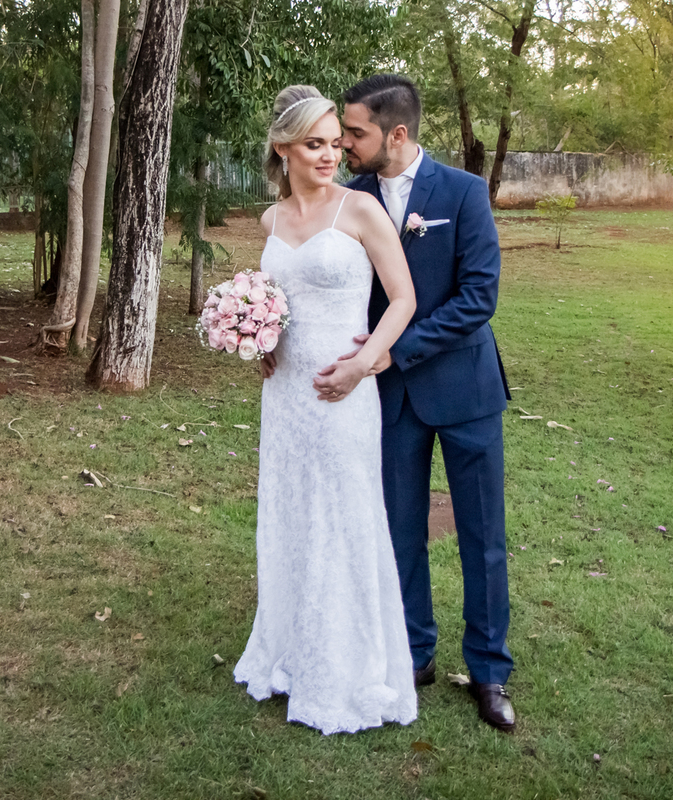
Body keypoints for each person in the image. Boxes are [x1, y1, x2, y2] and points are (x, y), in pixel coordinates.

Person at [319, 74, 517, 733]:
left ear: (395, 135)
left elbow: (477, 298)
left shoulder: (462, 194)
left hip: (464, 392)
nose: (344, 142)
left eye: (355, 132)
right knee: (399, 530)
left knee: (483, 537)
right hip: (391, 399)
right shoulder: (351, 199)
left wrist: (392, 351)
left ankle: (489, 670)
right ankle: (413, 652)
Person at [232, 85, 418, 735]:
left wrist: (364, 364)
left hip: (343, 394)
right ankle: (289, 654)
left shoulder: (360, 210)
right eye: (315, 144)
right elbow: (275, 298)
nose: (330, 154)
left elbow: (402, 301)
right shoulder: (271, 221)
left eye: (336, 142)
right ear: (283, 148)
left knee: (343, 519)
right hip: (285, 396)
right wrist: (259, 338)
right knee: (291, 516)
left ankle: (346, 667)